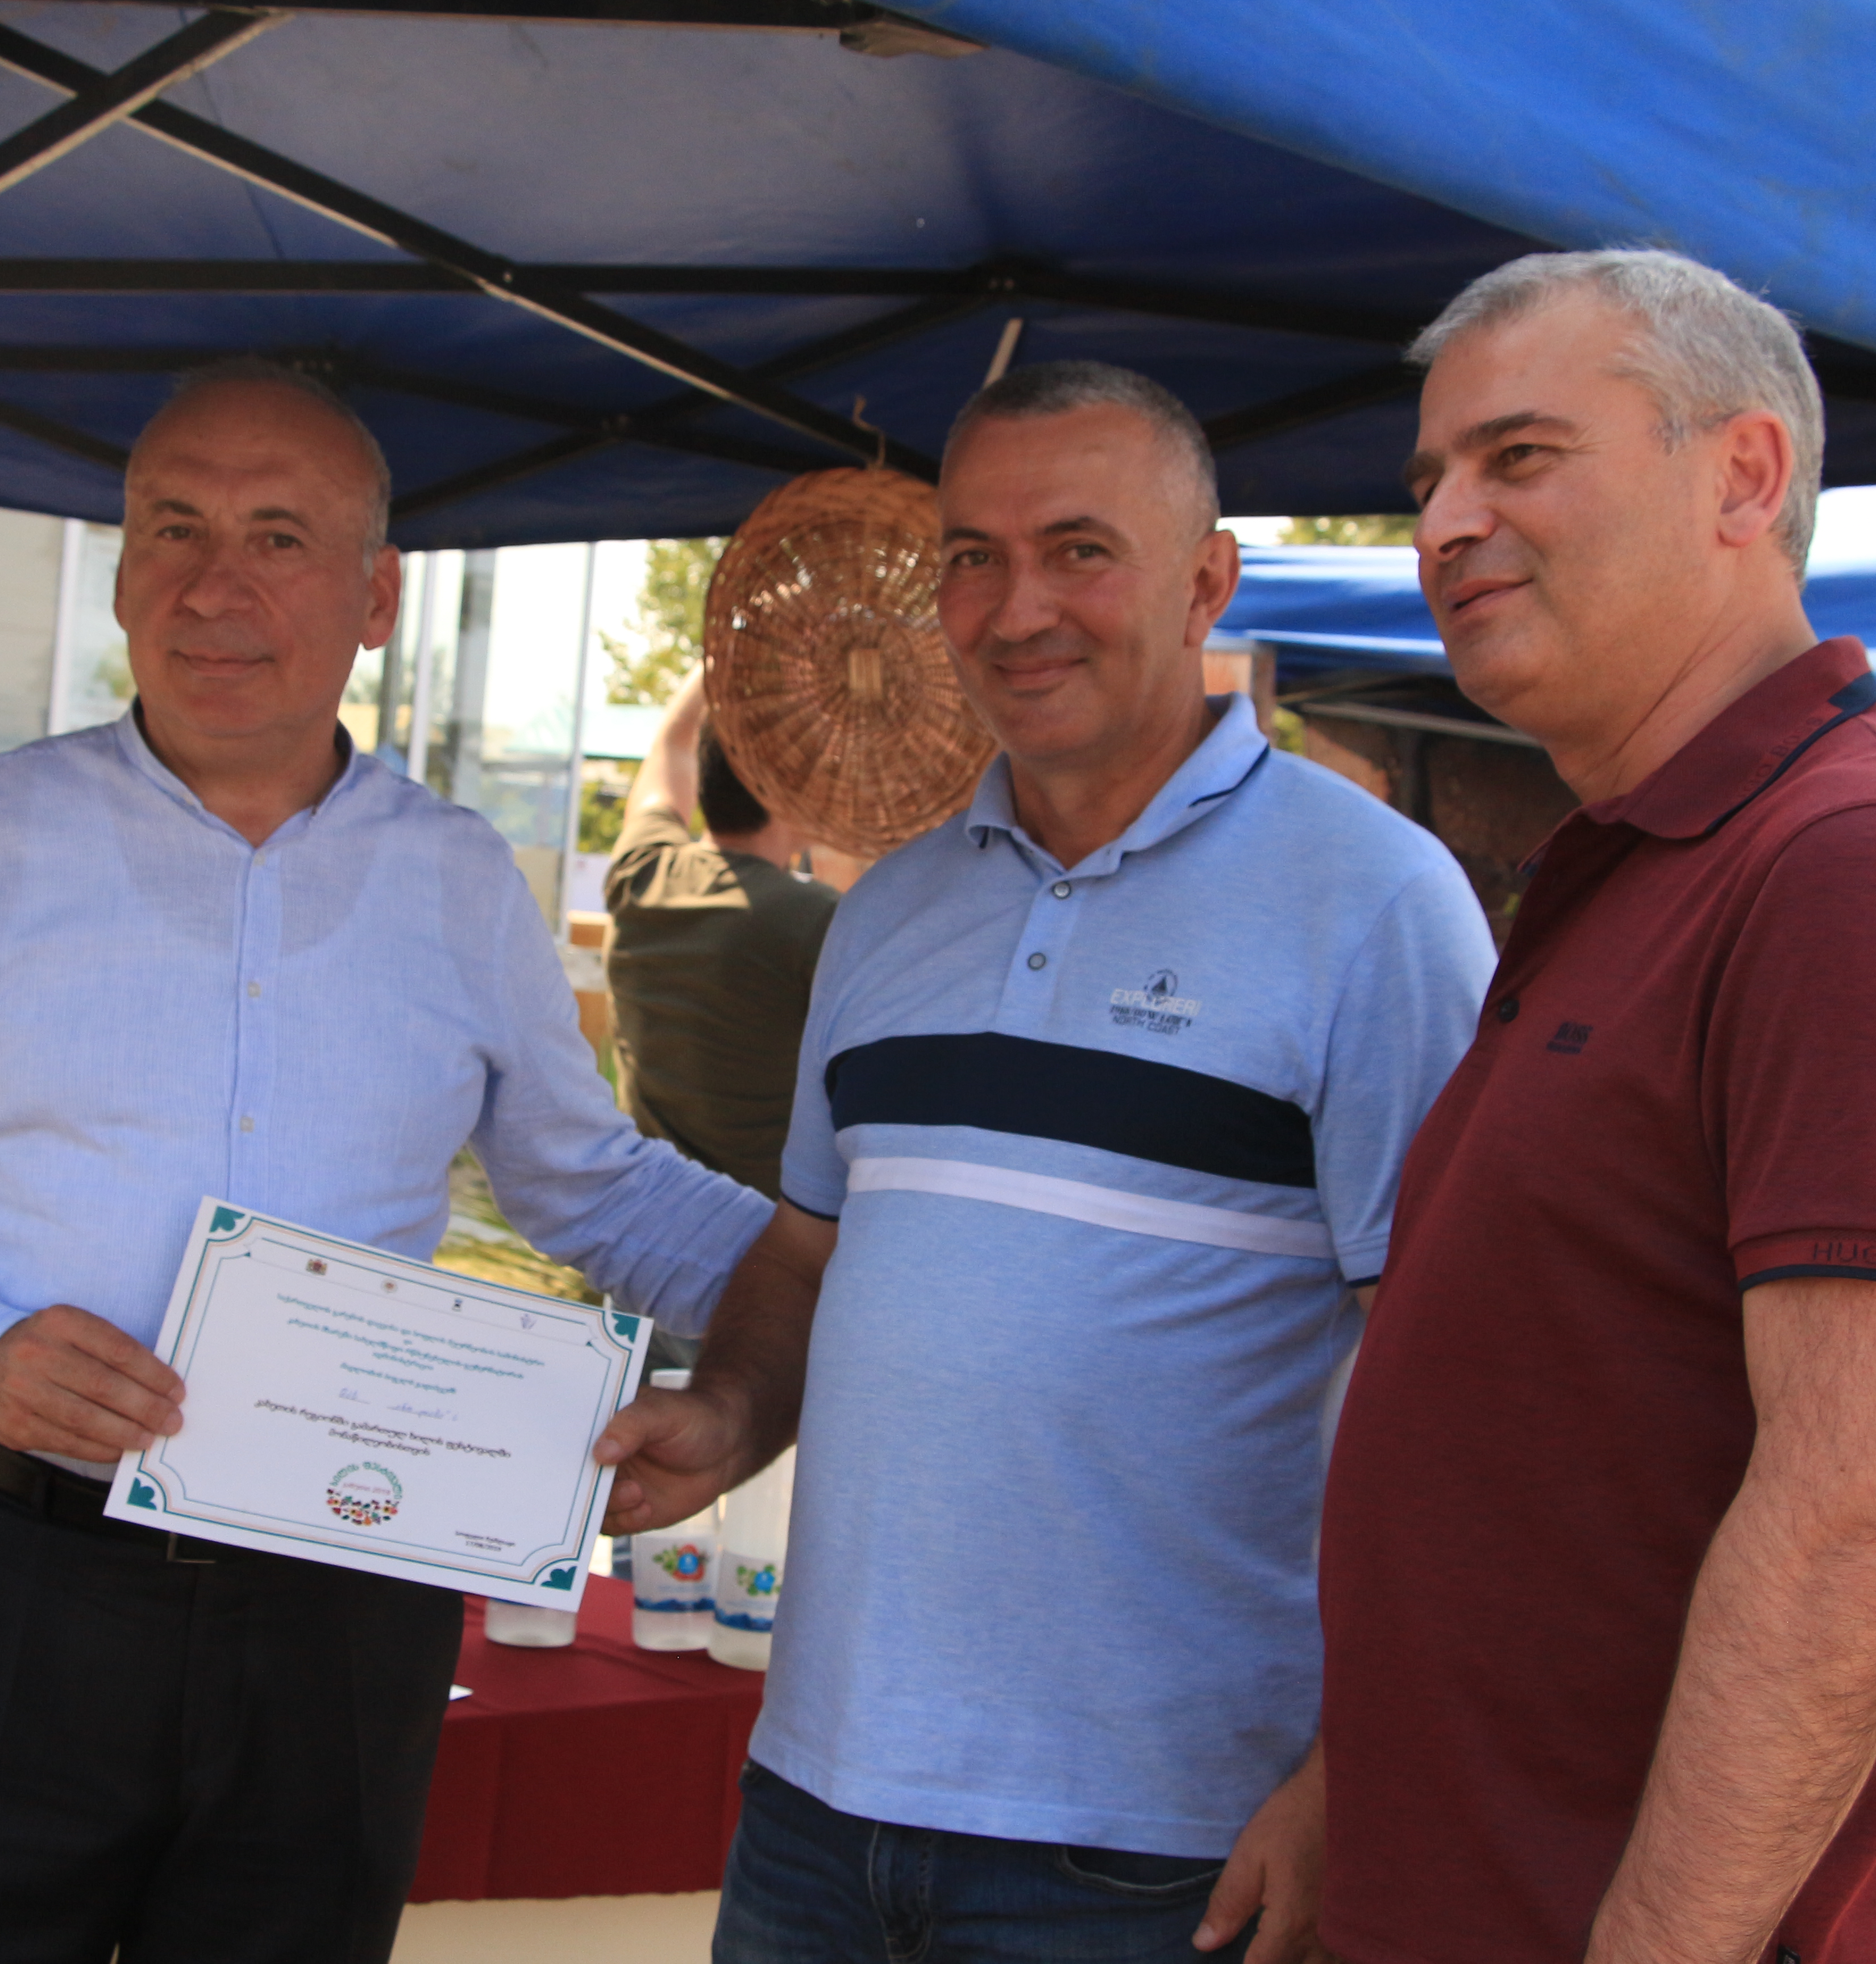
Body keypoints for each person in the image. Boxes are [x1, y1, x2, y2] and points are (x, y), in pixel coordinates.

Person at [0, 356, 771, 1964]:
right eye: (174, 527)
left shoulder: (459, 880)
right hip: (13, 1576)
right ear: (122, 569)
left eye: (279, 537)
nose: (215, 586)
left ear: (377, 598)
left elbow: (596, 1186)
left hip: (343, 1600)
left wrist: (844, 1277)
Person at [596, 360, 1497, 1963]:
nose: (1017, 612)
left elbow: (1459, 1386)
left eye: (1080, 550)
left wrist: (1357, 1766)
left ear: (1206, 579)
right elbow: (809, 1254)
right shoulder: (887, 911)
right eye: (973, 559)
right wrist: (727, 1411)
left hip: (1152, 1846)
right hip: (816, 1805)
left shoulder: (1375, 904)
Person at [1319, 249, 1876, 1964]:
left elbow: (1858, 1525)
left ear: (1744, 477)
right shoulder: (1651, 857)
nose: (1444, 522)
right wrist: (1343, 1792)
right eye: (1430, 478)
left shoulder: (1871, 865)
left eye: (1519, 457)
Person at [602, 665, 840, 1204]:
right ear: (784, 790)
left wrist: (722, 658)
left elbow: (672, 743)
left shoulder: (643, 875)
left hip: (643, 1221)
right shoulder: (817, 921)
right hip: (761, 1238)